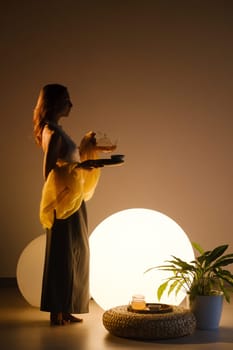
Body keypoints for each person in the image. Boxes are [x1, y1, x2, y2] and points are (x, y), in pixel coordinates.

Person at [33, 83, 115, 325]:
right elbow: (49, 172)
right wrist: (81, 166)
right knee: (63, 253)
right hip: (65, 202)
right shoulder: (54, 132)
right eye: (67, 99)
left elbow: (66, 160)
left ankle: (65, 308)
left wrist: (89, 148)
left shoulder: (55, 129)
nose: (71, 104)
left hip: (72, 199)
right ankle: (56, 311)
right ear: (55, 102)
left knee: (74, 252)